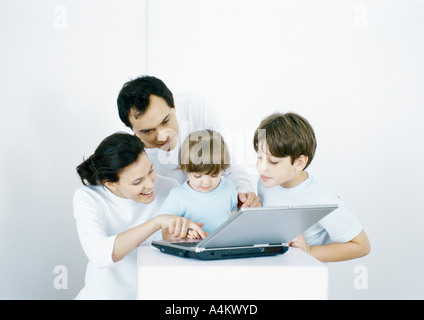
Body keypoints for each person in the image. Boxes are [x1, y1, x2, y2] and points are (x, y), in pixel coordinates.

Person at [73, 132, 206, 299]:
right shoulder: (88, 198)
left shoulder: (170, 188)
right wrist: (156, 223)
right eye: (137, 182)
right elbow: (99, 254)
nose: (150, 184)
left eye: (150, 170)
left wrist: (184, 235)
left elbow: (176, 246)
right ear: (111, 184)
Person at [117, 75, 260, 208]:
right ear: (133, 130)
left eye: (166, 121)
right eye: (148, 131)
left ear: (173, 105)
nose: (163, 136)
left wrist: (244, 193)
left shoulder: (195, 108)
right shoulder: (131, 155)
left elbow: (228, 164)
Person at [253, 112, 370, 262]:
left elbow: (361, 246)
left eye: (273, 162)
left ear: (299, 162)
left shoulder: (322, 199)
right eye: (259, 157)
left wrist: (309, 251)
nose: (262, 168)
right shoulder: (266, 182)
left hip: (305, 278)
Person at [159, 129, 238, 235]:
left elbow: (233, 216)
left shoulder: (229, 188)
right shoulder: (178, 196)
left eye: (214, 175)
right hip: (190, 248)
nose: (206, 183)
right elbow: (165, 232)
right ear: (186, 169)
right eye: (197, 176)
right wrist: (185, 235)